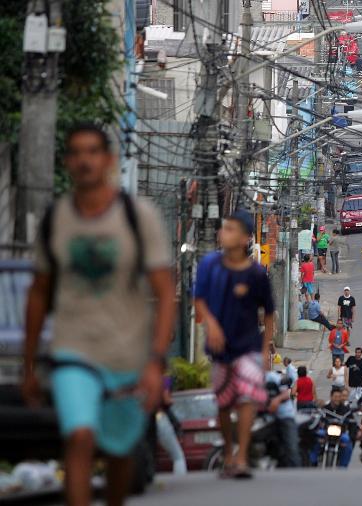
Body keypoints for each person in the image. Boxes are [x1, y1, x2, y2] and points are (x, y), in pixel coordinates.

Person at [20, 124, 175, 505]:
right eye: (76, 152)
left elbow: (165, 291)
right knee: (80, 437)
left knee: (119, 453)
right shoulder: (56, 219)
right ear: (67, 162)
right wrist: (28, 365)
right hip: (73, 352)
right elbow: (39, 293)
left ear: (108, 160)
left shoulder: (140, 218)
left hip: (127, 356)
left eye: (93, 151)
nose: (85, 160)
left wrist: (156, 361)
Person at [194, 209, 275, 480]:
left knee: (248, 396)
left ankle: (241, 458)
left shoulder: (255, 273)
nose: (222, 233)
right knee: (224, 403)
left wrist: (265, 350)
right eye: (223, 228)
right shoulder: (209, 265)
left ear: (244, 239)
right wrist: (212, 325)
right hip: (220, 349)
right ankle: (228, 453)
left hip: (249, 347)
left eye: (230, 229)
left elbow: (269, 312)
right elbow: (199, 299)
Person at [265, 369, 300, 468]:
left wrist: (276, 400)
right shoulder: (249, 379)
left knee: (291, 449)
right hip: (263, 417)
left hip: (284, 415)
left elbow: (285, 394)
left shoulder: (272, 376)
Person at [311, 387, 354, 467]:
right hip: (325, 432)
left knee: (348, 442)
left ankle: (343, 466)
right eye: (335, 397)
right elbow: (317, 418)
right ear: (331, 397)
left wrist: (353, 429)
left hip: (341, 434)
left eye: (339, 397)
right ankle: (312, 461)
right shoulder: (324, 408)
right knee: (315, 438)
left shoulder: (346, 410)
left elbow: (352, 422)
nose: (337, 399)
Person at [157, 377, 187, 475]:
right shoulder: (165, 379)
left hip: (143, 418)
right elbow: (166, 400)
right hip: (159, 417)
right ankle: (180, 481)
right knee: (178, 456)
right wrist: (171, 401)